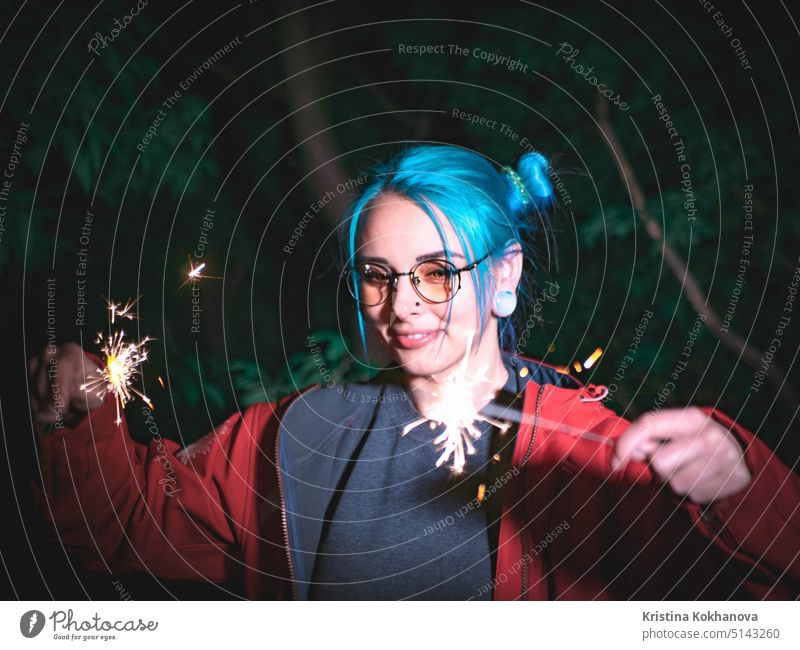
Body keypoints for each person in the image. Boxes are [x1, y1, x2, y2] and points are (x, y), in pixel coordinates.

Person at [30, 145, 799, 600]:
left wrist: (739, 484)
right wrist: (83, 418)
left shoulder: (594, 456)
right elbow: (129, 529)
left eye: (436, 272)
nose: (401, 305)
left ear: (504, 277)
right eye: (378, 274)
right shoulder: (299, 433)